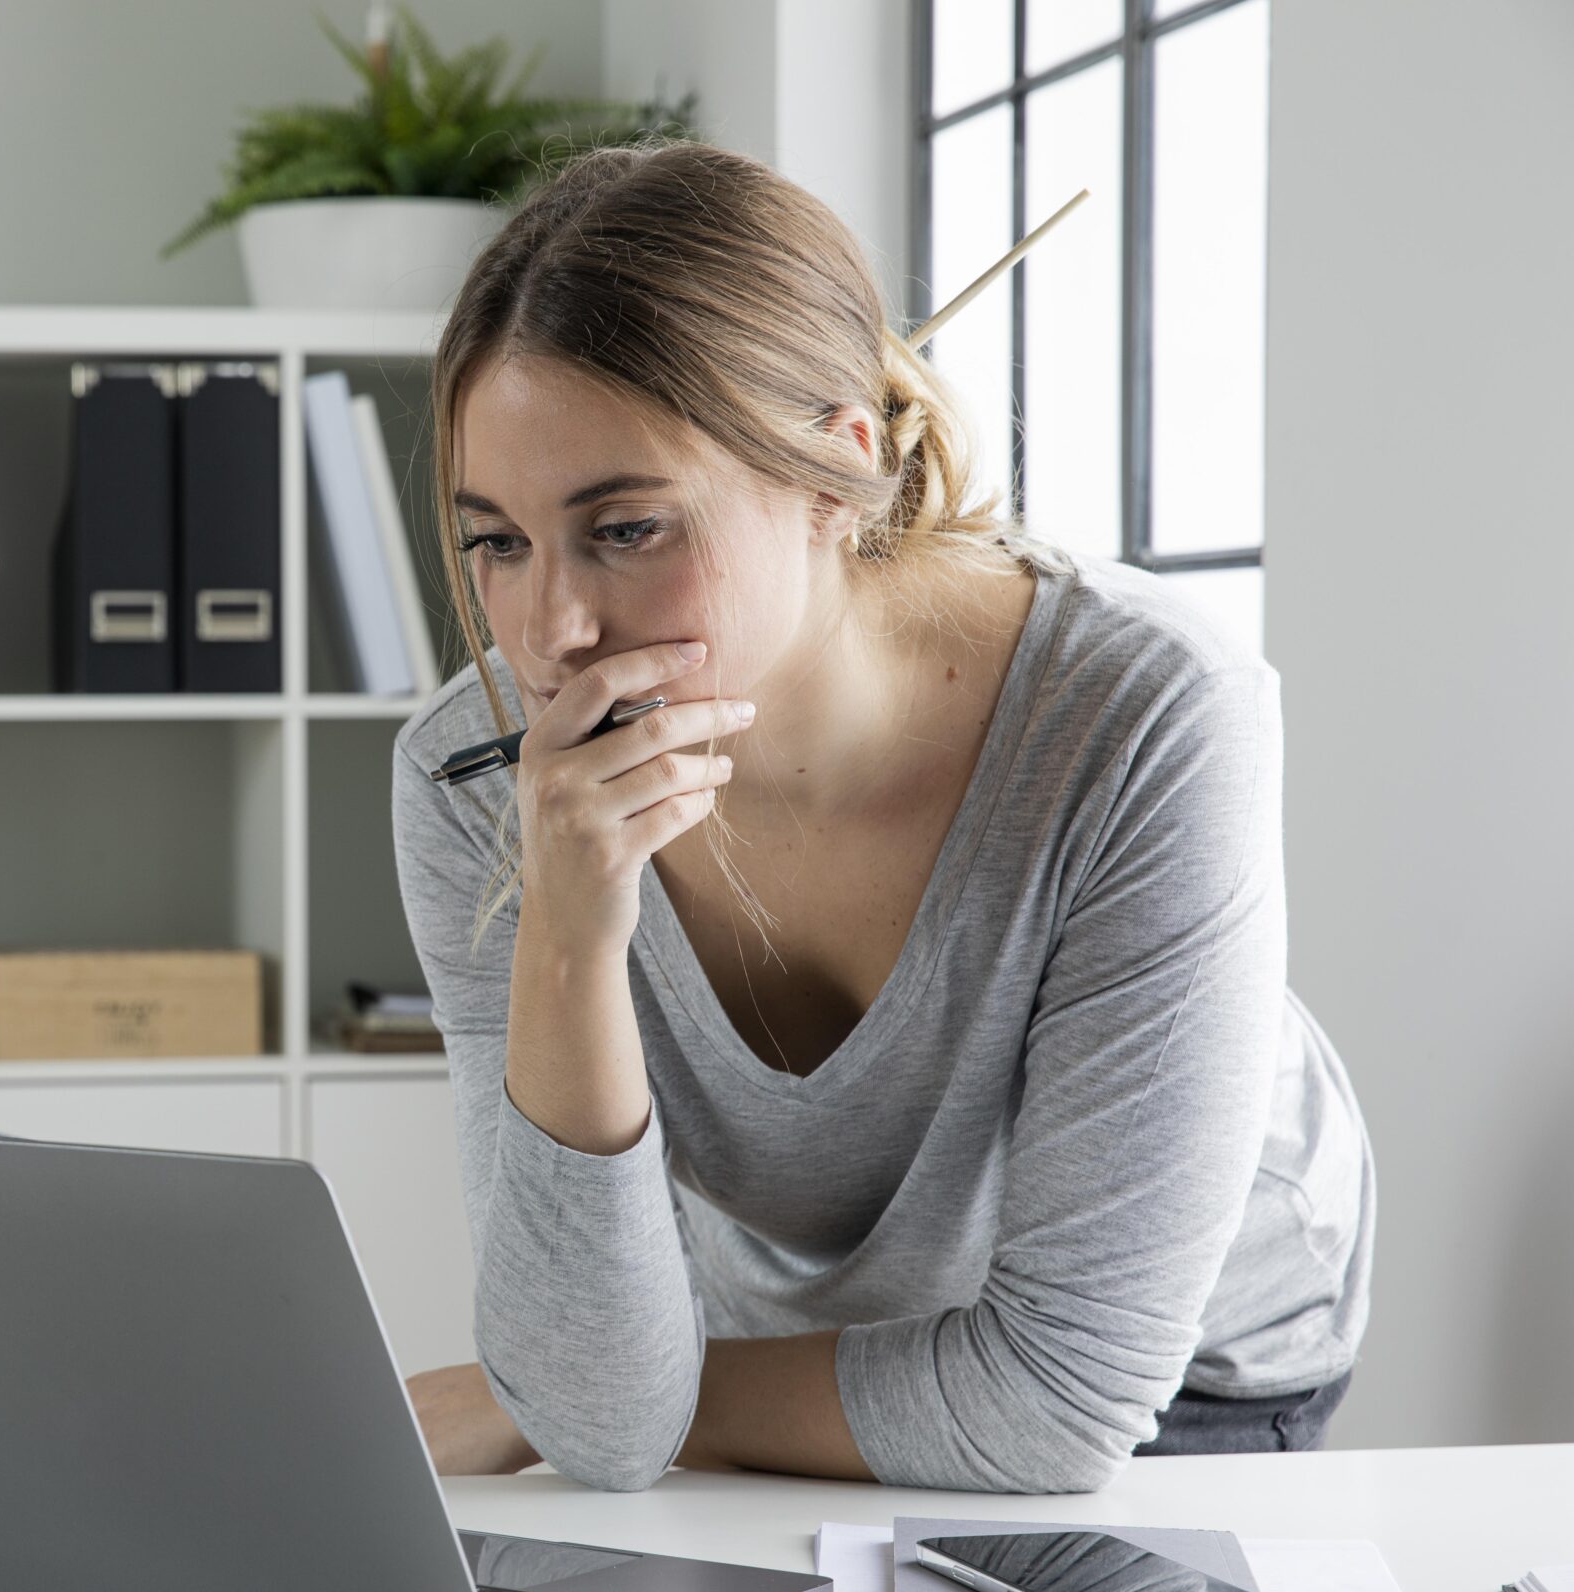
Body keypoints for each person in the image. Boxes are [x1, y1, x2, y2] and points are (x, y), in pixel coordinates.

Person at [390, 141, 1373, 1496]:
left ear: (834, 475)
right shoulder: (480, 779)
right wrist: (566, 934)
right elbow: (602, 1424)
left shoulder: (1151, 714)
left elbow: (1059, 1401)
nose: (551, 632)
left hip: (1175, 1371)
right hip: (810, 1356)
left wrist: (589, 1399)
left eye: (626, 529)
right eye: (496, 539)